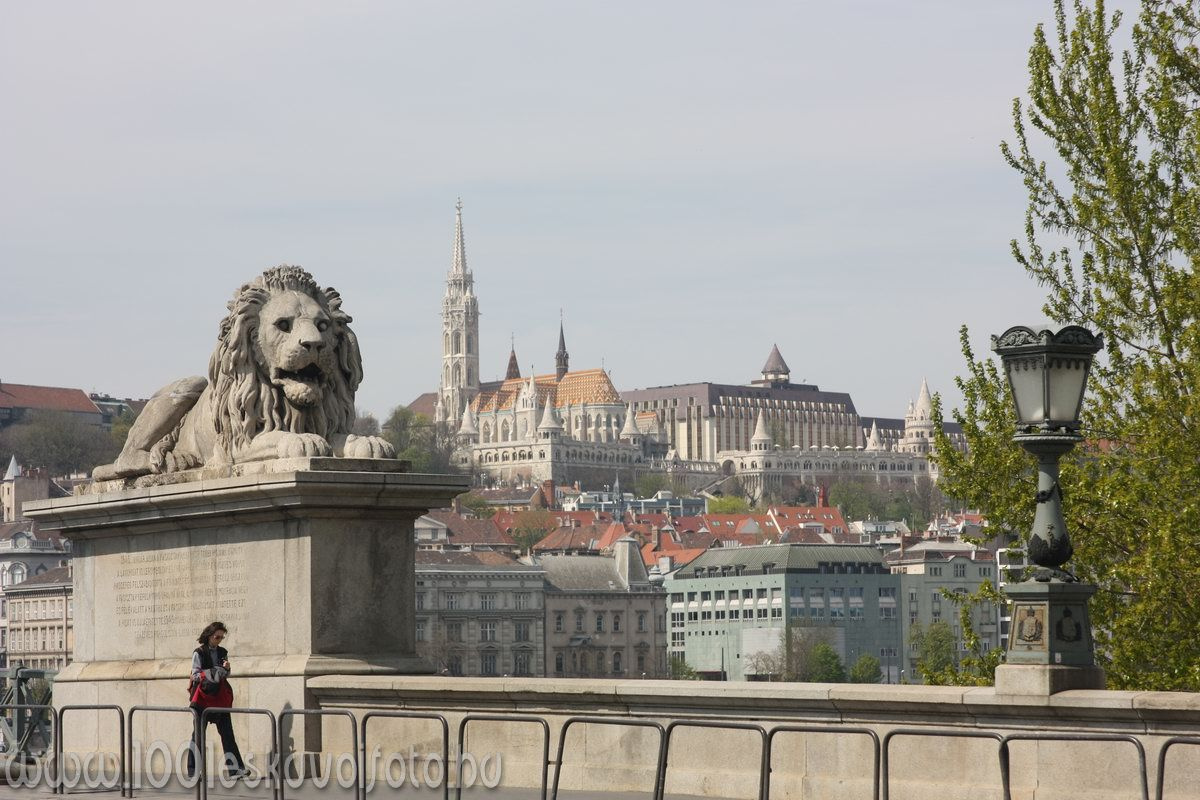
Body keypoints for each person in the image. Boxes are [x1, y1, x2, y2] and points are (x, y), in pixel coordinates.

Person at [186, 621, 247, 779]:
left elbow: (225, 675)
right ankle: (194, 771)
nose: (219, 640)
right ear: (209, 636)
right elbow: (195, 675)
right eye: (217, 637)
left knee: (227, 733)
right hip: (202, 698)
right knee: (198, 735)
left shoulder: (223, 652)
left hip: (219, 697)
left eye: (221, 637)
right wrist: (213, 672)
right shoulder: (199, 652)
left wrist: (226, 668)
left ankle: (235, 769)